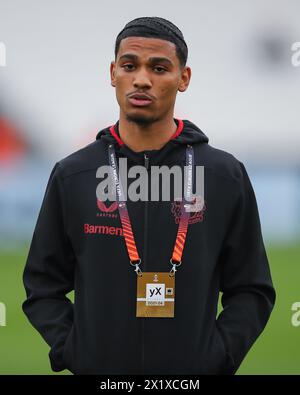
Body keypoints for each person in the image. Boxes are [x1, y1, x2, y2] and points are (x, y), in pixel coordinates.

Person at [22, 16, 276, 375]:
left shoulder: (223, 176)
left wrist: (216, 357)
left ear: (183, 78)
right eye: (130, 65)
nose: (142, 79)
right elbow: (42, 285)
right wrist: (76, 351)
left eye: (159, 68)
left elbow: (252, 289)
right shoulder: (73, 174)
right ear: (113, 73)